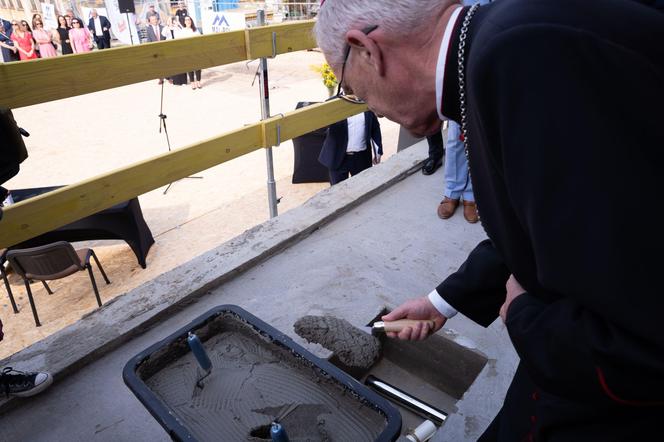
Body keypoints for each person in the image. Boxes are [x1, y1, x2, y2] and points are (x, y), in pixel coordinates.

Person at [314, 0, 664, 440]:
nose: (372, 109)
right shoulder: (499, 43)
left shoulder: (526, 59)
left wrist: (522, 315)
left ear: (366, 48)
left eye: (356, 91)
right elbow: (540, 222)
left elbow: (638, 337)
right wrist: (441, 303)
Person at [318, 111, 383, 185]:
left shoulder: (366, 104)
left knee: (362, 187)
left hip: (361, 158)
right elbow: (321, 127)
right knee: (337, 191)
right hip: (338, 157)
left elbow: (375, 127)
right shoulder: (334, 103)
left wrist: (378, 150)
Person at [161, 16, 188, 85]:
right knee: (174, 64)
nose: (172, 21)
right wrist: (168, 24)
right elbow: (163, 34)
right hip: (169, 48)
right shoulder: (166, 28)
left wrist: (178, 23)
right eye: (171, 20)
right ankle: (176, 81)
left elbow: (183, 31)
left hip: (178, 47)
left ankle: (183, 80)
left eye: (172, 20)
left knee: (181, 64)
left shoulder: (177, 27)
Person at [179, 16, 202, 89]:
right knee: (190, 68)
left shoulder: (196, 30)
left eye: (189, 20)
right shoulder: (183, 31)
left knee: (198, 67)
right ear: (184, 22)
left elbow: (200, 40)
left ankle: (198, 81)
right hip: (187, 52)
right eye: (186, 20)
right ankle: (192, 82)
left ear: (191, 21)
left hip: (196, 51)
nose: (188, 21)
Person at [145, 14, 166, 84]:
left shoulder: (163, 27)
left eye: (155, 19)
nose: (154, 21)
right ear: (150, 21)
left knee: (165, 64)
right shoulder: (149, 30)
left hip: (163, 49)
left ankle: (168, 77)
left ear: (157, 20)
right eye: (152, 20)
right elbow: (148, 40)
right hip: (155, 50)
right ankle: (160, 78)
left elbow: (166, 38)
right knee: (158, 65)